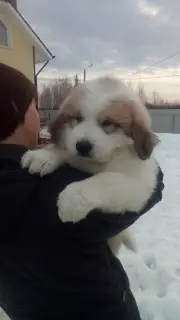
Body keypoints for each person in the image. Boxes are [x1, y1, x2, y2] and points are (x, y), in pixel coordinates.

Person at [0, 63, 164, 320]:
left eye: (107, 124)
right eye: (33, 105)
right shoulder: (37, 186)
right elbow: (146, 188)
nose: (82, 136)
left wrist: (56, 155)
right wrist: (87, 188)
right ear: (12, 108)